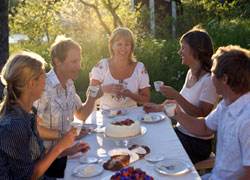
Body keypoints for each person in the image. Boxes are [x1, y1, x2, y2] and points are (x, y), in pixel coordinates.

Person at [173, 45, 250, 180]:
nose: (210, 76)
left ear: (224, 79)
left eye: (213, 72)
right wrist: (176, 114)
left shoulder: (246, 120)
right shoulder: (225, 105)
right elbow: (204, 127)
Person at [144, 26, 218, 164]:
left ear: (196, 50)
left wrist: (176, 95)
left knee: (155, 149)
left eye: (183, 48)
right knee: (150, 135)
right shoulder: (191, 73)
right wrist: (159, 107)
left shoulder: (208, 80)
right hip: (182, 132)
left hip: (197, 143)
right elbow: (184, 105)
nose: (179, 52)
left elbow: (202, 113)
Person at [0, 51, 78, 180]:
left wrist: (68, 151)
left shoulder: (30, 114)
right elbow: (28, 177)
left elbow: (38, 155)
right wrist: (59, 147)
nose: (45, 84)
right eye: (43, 79)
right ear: (32, 83)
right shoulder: (13, 126)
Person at [34, 35, 100, 178]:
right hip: (46, 164)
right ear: (57, 61)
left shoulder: (69, 83)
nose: (79, 67)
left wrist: (92, 95)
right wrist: (63, 135)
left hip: (63, 153)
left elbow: (81, 115)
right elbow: (34, 128)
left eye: (79, 61)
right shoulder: (44, 87)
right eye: (74, 62)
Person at [90, 27, 150, 110]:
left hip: (132, 116)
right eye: (119, 44)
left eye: (127, 44)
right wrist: (104, 88)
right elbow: (89, 94)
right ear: (112, 45)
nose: (123, 49)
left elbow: (146, 99)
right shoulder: (102, 65)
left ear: (131, 47)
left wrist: (130, 94)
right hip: (107, 115)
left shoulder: (139, 68)